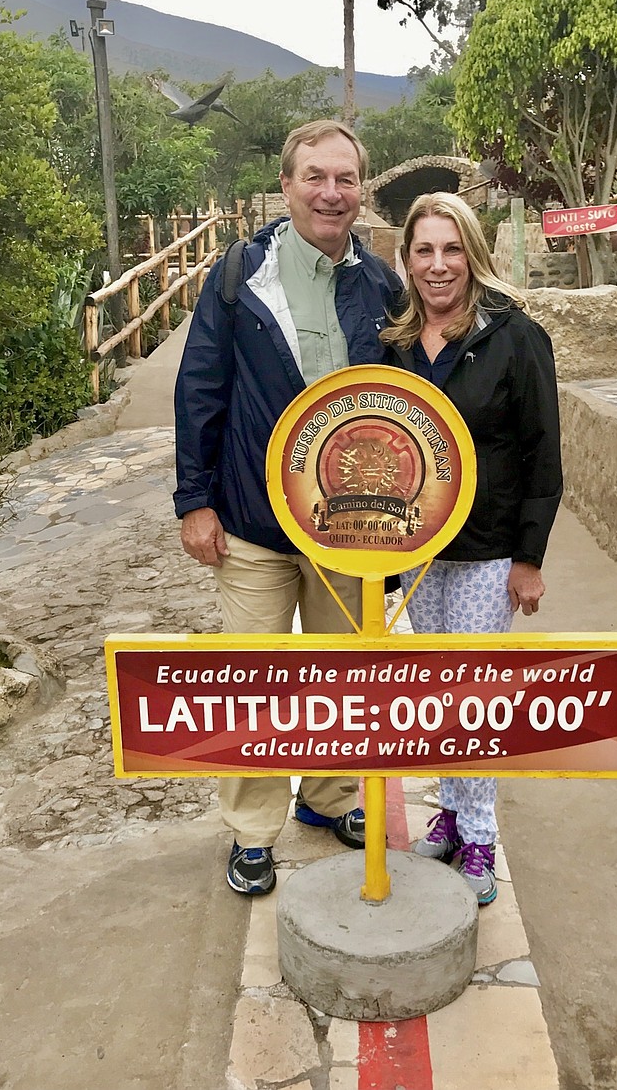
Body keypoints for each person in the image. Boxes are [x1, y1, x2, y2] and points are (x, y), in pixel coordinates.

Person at [174, 120, 403, 897]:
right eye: (315, 176)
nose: (331, 192)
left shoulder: (382, 285)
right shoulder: (242, 274)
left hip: (349, 530)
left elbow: (408, 409)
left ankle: (331, 796)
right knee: (257, 680)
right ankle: (251, 831)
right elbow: (199, 388)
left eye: (345, 178)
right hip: (255, 523)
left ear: (361, 190)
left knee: (339, 672)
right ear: (287, 185)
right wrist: (194, 500)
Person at [380, 192, 563, 906]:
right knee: (441, 692)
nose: (438, 265)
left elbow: (542, 452)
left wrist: (529, 556)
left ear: (474, 253)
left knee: (476, 694)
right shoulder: (393, 343)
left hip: (489, 550)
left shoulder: (516, 338)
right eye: (424, 250)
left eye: (451, 249)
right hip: (423, 552)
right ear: (408, 258)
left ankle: (481, 831)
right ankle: (451, 813)